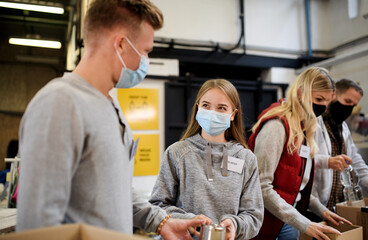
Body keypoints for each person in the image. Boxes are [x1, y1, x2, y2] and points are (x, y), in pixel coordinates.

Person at [16, 0, 204, 239]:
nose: (145, 60)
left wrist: (161, 222)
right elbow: (38, 223)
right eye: (145, 51)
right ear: (121, 44)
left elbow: (116, 192)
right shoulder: (60, 103)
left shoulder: (111, 105)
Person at [149, 79, 264, 240]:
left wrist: (235, 225)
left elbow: (254, 216)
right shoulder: (177, 153)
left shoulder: (246, 158)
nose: (212, 113)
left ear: (233, 115)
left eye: (221, 108)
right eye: (206, 106)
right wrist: (188, 220)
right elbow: (157, 205)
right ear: (197, 109)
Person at [248, 67, 351, 240]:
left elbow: (295, 186)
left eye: (326, 102)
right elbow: (262, 186)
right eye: (319, 99)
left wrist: (322, 211)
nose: (322, 107)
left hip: (287, 218)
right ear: (301, 92)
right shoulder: (277, 126)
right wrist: (304, 223)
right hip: (264, 221)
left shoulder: (302, 129)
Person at [312, 78, 368, 213]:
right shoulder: (315, 123)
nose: (348, 108)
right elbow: (301, 160)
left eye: (353, 105)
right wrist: (327, 161)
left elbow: (355, 159)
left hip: (336, 203)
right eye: (347, 101)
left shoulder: (343, 127)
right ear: (333, 95)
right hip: (314, 204)